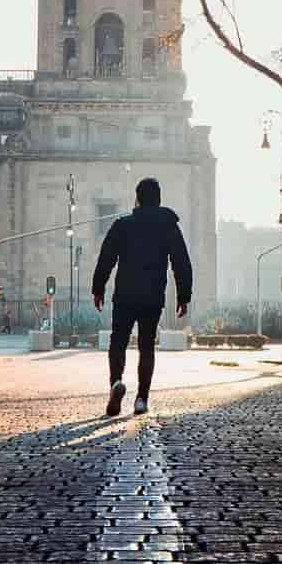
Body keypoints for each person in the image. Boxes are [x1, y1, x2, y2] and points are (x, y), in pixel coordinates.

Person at [91, 176, 193, 416]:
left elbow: (106, 258)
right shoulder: (168, 226)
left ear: (137, 198)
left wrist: (98, 288)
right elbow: (181, 262)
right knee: (146, 346)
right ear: (158, 200)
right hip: (152, 296)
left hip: (125, 294)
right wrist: (183, 296)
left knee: (118, 341)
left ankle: (116, 382)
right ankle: (141, 399)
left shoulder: (122, 225)